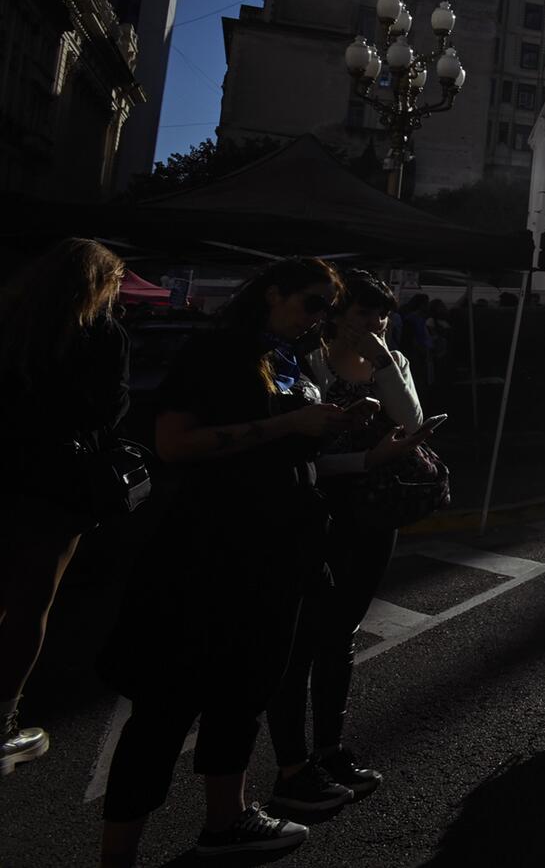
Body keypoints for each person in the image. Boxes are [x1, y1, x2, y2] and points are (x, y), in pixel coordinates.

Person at [97, 258, 361, 865]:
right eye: (312, 303)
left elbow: (288, 436)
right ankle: (118, 857)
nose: (320, 318)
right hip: (209, 550)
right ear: (273, 293)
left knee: (244, 693)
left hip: (277, 549)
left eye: (327, 307)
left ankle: (228, 820)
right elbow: (174, 443)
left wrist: (331, 424)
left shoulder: (289, 358)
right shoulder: (218, 352)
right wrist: (291, 424)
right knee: (166, 704)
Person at [266, 270, 436, 815]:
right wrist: (364, 459)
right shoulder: (305, 360)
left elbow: (410, 421)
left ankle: (330, 749)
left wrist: (385, 360)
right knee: (302, 638)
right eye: (364, 315)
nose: (374, 325)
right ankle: (294, 764)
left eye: (382, 315)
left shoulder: (393, 359)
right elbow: (302, 453)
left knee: (342, 633)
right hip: (317, 506)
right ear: (338, 315)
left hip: (375, 507)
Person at [0, 238, 130, 776]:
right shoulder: (100, 334)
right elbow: (110, 407)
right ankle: (3, 722)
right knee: (31, 605)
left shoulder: (10, 320)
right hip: (53, 486)